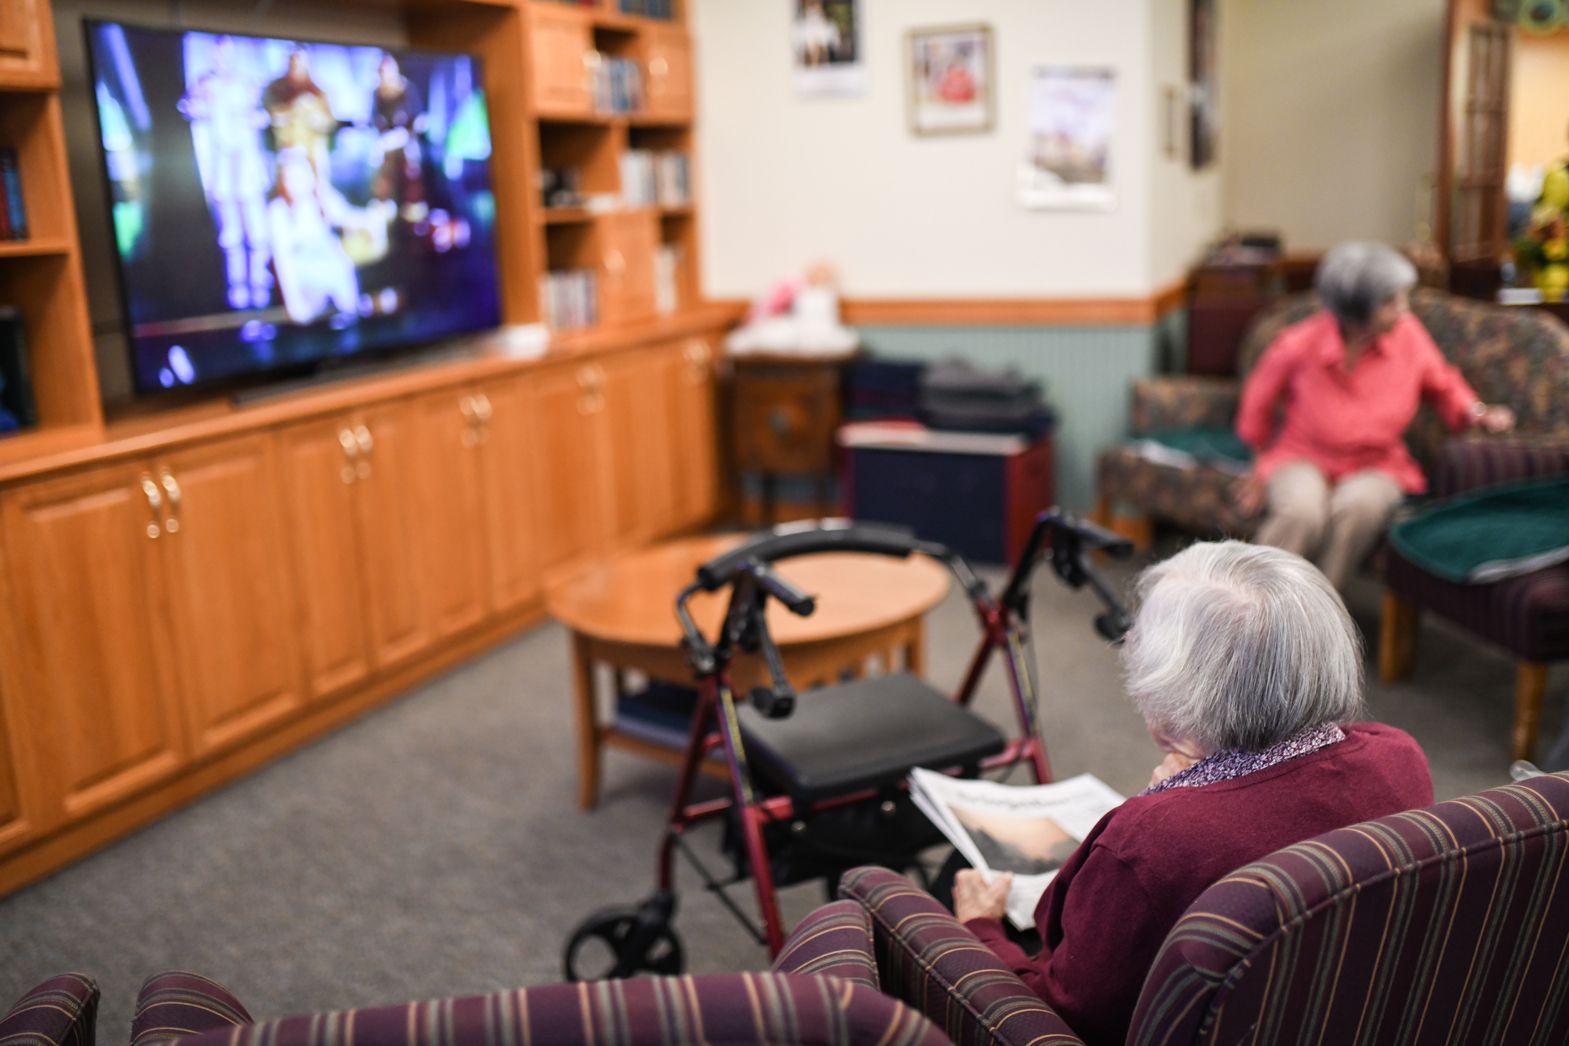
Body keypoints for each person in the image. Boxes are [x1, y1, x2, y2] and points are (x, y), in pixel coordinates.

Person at [953, 540, 1434, 1046]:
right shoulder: (1398, 757)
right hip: (1345, 1015)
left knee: (955, 882)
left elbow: (1061, 1016)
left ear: (1169, 692)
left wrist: (981, 930)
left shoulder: (1152, 844)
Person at [1232, 242, 1515, 589]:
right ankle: (1256, 605)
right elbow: (1257, 401)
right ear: (1355, 311)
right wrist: (1259, 464)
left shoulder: (1408, 335)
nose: (1404, 309)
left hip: (1378, 463)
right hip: (1302, 456)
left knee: (1358, 508)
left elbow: (1444, 384)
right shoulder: (1298, 343)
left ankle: (1320, 616)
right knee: (1301, 512)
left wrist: (1478, 413)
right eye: (1390, 301)